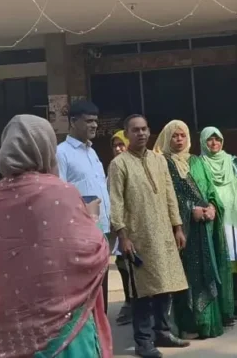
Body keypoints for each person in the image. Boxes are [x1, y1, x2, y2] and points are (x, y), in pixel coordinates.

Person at [0, 115, 113, 358]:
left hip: (12, 326)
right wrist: (95, 229)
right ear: (45, 148)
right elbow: (92, 253)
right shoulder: (59, 193)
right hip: (63, 329)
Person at [109, 115, 190, 358]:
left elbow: (169, 194)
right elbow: (116, 202)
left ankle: (162, 332)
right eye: (135, 130)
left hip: (163, 233)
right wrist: (122, 235)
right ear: (127, 134)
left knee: (166, 285)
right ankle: (143, 341)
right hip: (138, 236)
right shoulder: (119, 164)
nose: (141, 133)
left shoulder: (159, 160)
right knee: (142, 291)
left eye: (144, 129)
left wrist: (177, 227)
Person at [154, 121, 233, 340]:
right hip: (182, 231)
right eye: (174, 135)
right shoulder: (163, 163)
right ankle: (187, 324)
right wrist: (190, 211)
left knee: (206, 273)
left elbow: (209, 189)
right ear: (167, 138)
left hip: (204, 229)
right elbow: (166, 198)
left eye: (182, 135)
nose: (179, 139)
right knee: (186, 277)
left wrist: (212, 207)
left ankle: (207, 323)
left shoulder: (197, 161)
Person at [56, 101, 113, 312]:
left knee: (102, 286)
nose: (94, 125)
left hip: (101, 230)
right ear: (73, 122)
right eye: (88, 121)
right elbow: (59, 195)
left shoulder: (92, 152)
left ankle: (101, 328)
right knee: (85, 290)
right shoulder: (61, 153)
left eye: (95, 121)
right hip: (80, 233)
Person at [198, 126, 237, 320]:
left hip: (234, 218)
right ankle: (223, 308)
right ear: (203, 142)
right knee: (219, 262)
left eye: (217, 139)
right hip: (214, 220)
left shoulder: (232, 162)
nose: (214, 143)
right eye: (210, 139)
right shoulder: (200, 164)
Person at [110, 130, 134, 326]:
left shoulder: (135, 164)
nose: (118, 149)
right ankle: (129, 301)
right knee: (122, 263)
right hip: (121, 225)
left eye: (121, 144)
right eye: (115, 145)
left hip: (136, 224)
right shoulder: (113, 166)